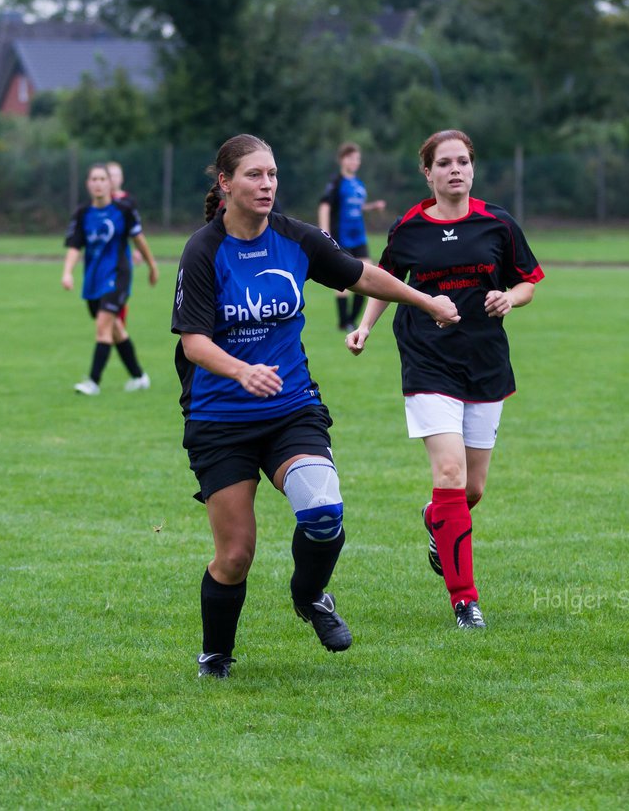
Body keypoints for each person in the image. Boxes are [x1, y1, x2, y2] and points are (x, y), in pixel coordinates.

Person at [172, 134, 460, 679]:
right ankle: (216, 656)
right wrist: (241, 370)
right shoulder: (203, 250)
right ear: (226, 184)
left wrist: (425, 302)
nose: (267, 185)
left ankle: (310, 597)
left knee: (324, 512)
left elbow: (359, 273)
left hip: (290, 408)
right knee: (235, 556)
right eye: (254, 175)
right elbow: (193, 342)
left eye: (273, 175)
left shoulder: (295, 238)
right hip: (220, 420)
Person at [346, 129, 544, 630]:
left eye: (463, 162)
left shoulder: (498, 223)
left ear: (472, 169)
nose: (455, 170)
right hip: (426, 358)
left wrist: (510, 298)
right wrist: (364, 328)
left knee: (471, 489)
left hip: (484, 361)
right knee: (450, 475)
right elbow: (385, 282)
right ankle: (465, 601)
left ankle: (437, 519)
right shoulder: (408, 227)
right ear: (428, 172)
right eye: (445, 163)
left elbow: (527, 282)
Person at [62, 162, 159, 395]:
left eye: (102, 179)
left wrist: (151, 265)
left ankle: (92, 382)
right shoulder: (83, 213)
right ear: (88, 184)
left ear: (110, 183)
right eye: (93, 179)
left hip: (118, 275)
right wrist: (67, 272)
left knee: (103, 327)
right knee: (115, 329)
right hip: (93, 279)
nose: (98, 183)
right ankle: (139, 376)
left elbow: (139, 239)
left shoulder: (123, 210)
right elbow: (75, 246)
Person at [318, 142, 386, 331]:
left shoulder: (359, 184)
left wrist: (372, 207)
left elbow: (357, 206)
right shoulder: (336, 182)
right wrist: (325, 233)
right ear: (342, 160)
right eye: (351, 158)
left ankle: (351, 320)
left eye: (357, 158)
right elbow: (325, 205)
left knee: (368, 275)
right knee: (343, 280)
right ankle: (344, 321)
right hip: (342, 236)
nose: (355, 162)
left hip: (359, 237)